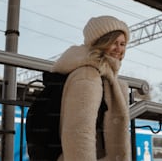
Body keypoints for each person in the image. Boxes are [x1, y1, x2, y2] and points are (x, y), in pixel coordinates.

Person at [52, 15, 131, 161]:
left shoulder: (105, 77)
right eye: (113, 43)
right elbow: (79, 133)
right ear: (101, 43)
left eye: (123, 44)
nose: (119, 49)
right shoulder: (89, 76)